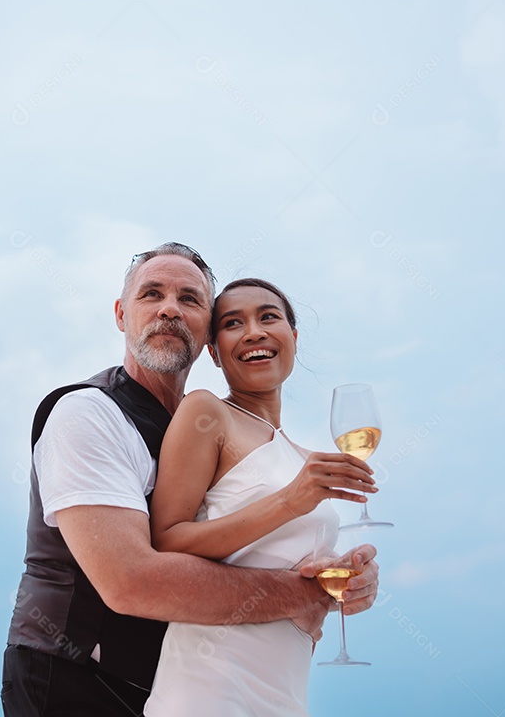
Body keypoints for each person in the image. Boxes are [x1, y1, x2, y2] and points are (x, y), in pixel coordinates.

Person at [2, 244, 380, 716]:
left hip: (166, 684)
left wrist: (345, 579)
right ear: (121, 314)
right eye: (151, 294)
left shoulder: (201, 432)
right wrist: (306, 594)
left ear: (205, 336)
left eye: (190, 299)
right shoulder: (88, 412)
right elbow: (130, 582)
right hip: (74, 682)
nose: (168, 309)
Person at [143, 278, 377, 715]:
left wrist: (349, 581)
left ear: (293, 336)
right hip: (208, 690)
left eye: (269, 317)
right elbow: (166, 541)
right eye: (233, 323)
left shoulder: (304, 458)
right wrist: (291, 499)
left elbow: (288, 572)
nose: (254, 332)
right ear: (213, 350)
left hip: (284, 693)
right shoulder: (206, 411)